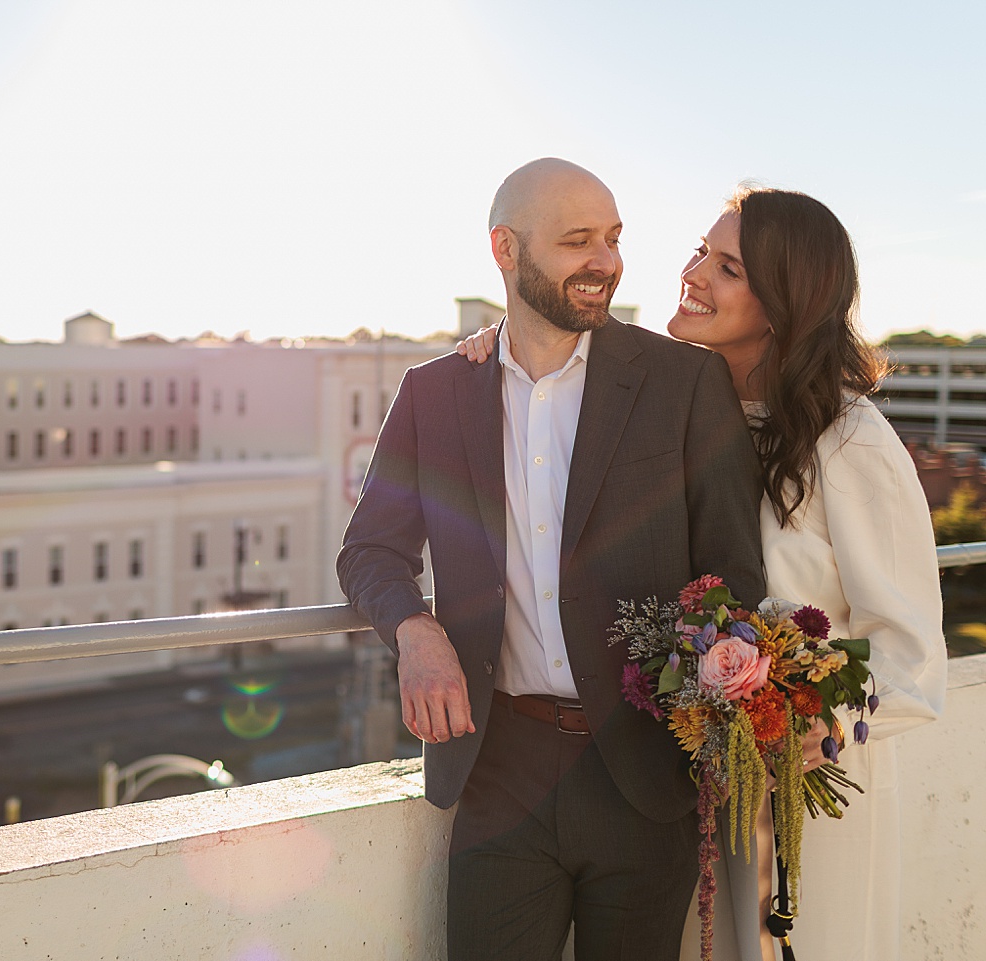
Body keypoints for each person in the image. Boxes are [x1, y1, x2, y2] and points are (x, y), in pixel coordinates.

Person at [457, 186, 948, 961]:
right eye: (700, 251)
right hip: (687, 792)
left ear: (784, 302)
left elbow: (912, 653)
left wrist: (809, 723)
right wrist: (495, 344)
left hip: (805, 796)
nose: (694, 274)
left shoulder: (851, 440)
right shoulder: (676, 402)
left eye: (728, 267)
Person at [337, 158, 766, 961]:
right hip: (500, 767)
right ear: (506, 249)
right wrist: (414, 630)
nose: (605, 260)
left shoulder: (683, 382)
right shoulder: (434, 393)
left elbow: (734, 573)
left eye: (612, 238)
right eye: (578, 241)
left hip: (645, 772)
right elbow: (369, 550)